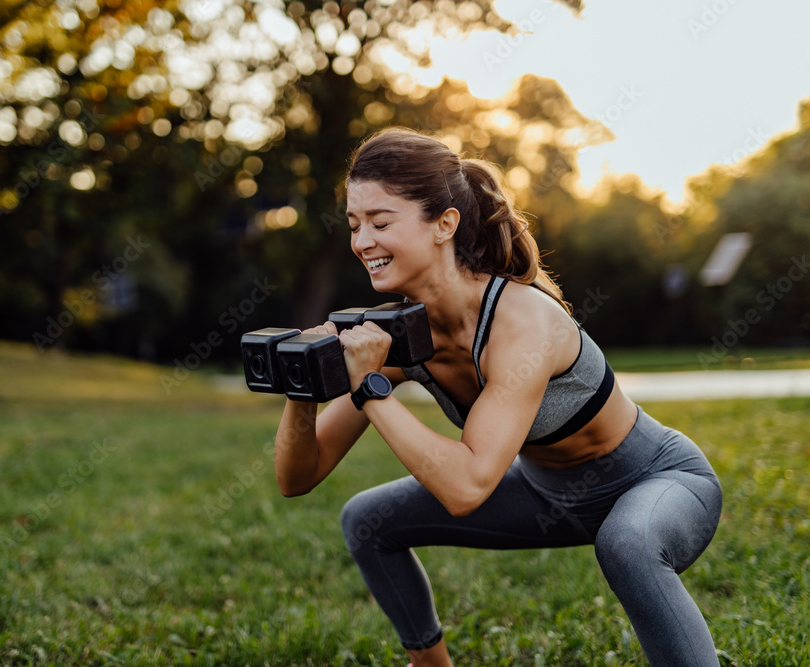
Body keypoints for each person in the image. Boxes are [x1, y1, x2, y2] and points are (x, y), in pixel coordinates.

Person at [273, 127, 722, 666]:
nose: (362, 241)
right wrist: (301, 382)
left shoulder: (523, 323)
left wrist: (371, 388)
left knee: (626, 545)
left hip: (656, 480)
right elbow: (299, 477)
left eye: (381, 222)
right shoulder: (398, 335)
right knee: (367, 521)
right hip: (544, 496)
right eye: (354, 224)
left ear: (445, 224)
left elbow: (466, 487)